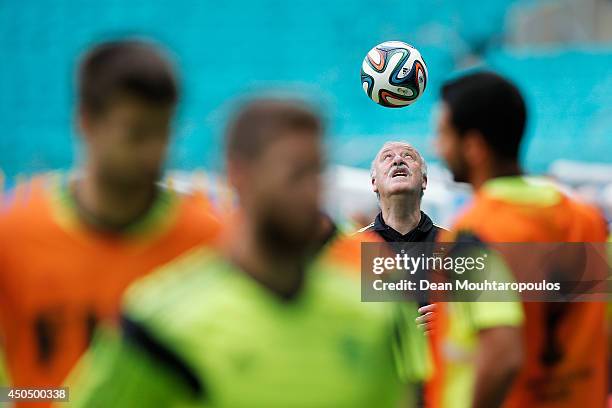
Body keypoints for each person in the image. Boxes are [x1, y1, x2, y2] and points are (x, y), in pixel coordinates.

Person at [65, 98, 429, 407]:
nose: (311, 193)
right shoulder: (159, 324)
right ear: (239, 174)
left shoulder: (373, 318)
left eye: (317, 174)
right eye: (294, 175)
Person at [0, 40, 220, 406]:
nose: (153, 150)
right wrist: (49, 395)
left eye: (162, 132)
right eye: (135, 133)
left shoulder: (209, 242)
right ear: (86, 122)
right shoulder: (13, 237)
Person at [431, 71, 608, 408]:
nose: (436, 146)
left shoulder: (476, 233)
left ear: (474, 148)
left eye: (442, 134)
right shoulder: (587, 220)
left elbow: (502, 355)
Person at [358, 141, 444, 243]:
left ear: (424, 180)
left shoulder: (454, 244)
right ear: (374, 182)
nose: (398, 160)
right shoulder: (350, 247)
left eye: (408, 156)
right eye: (387, 157)